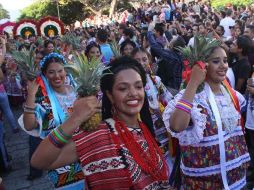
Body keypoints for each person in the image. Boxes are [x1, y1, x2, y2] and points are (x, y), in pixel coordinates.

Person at [31, 56, 171, 189]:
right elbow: (40, 161)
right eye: (123, 88)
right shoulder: (98, 135)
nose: (133, 93)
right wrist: (74, 119)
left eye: (138, 86)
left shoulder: (144, 129)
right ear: (109, 95)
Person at [163, 44, 250, 189]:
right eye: (216, 61)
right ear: (202, 66)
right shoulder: (194, 97)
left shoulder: (232, 95)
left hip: (236, 179)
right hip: (204, 182)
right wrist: (193, 83)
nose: (223, 66)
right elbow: (176, 126)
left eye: (225, 60)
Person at [23, 53, 85, 189]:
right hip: (61, 164)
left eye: (60, 71)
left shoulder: (77, 92)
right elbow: (29, 125)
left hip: (86, 155)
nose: (57, 76)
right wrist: (31, 94)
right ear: (45, 74)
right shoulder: (43, 100)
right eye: (51, 72)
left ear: (66, 71)